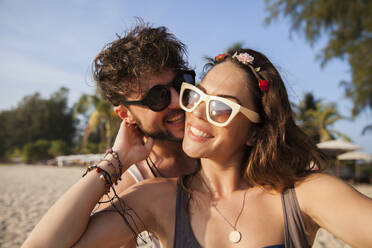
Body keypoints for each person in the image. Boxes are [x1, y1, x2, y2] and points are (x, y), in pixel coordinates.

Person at [22, 48, 372, 248]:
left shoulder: (303, 194)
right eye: (197, 96)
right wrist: (114, 162)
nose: (194, 112)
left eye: (222, 107)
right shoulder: (155, 198)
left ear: (254, 132)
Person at [93, 20, 198, 247]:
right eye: (157, 97)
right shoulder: (132, 187)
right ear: (125, 114)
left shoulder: (224, 143)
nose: (177, 101)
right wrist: (113, 163)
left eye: (181, 84)